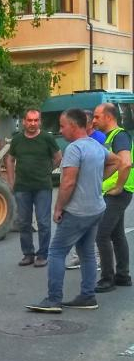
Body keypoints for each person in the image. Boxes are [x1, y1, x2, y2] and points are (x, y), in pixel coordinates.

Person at [26, 108, 119, 313]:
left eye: (62, 126)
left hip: (78, 212)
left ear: (74, 126)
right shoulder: (95, 146)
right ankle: (88, 296)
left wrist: (58, 208)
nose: (60, 130)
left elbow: (67, 183)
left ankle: (53, 300)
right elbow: (116, 161)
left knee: (56, 252)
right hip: (96, 209)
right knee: (87, 253)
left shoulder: (74, 149)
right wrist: (97, 179)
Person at [5, 108, 62, 268]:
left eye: (36, 120)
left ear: (40, 122)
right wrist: (11, 181)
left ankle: (42, 255)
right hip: (22, 187)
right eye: (29, 120)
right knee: (24, 222)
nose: (33, 123)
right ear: (24, 122)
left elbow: (58, 157)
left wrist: (48, 170)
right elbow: (10, 159)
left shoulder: (47, 138)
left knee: (43, 222)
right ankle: (28, 254)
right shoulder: (17, 139)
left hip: (42, 186)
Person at [92, 103, 134, 292]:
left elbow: (125, 163)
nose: (94, 120)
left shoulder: (120, 136)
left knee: (102, 235)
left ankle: (107, 279)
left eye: (97, 116)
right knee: (117, 234)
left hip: (118, 192)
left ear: (108, 117)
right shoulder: (107, 137)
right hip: (112, 191)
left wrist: (118, 187)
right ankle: (123, 276)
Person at [66, 111, 105, 269]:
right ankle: (79, 257)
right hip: (81, 195)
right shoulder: (78, 141)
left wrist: (99, 178)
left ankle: (96, 258)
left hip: (96, 192)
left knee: (95, 230)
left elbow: (110, 161)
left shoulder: (99, 139)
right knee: (81, 229)